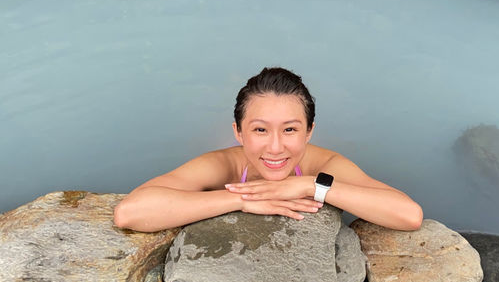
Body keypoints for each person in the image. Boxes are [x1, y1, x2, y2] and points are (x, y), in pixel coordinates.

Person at [113, 67, 423, 232]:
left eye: (290, 129)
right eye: (260, 130)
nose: (275, 148)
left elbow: (408, 215)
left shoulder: (325, 164)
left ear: (310, 131)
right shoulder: (224, 165)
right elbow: (130, 212)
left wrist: (311, 185)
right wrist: (241, 199)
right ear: (238, 132)